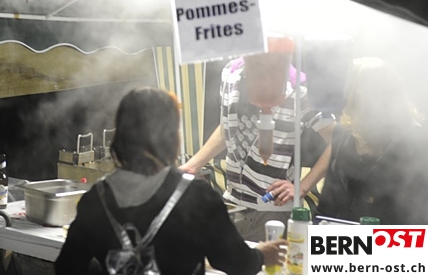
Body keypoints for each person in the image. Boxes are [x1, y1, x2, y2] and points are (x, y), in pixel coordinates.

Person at [55, 86, 286, 275]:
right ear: (171, 136)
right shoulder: (197, 196)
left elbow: (67, 267)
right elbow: (237, 263)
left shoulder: (96, 198)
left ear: (121, 136)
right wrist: (262, 255)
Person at [179, 53, 335, 242]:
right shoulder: (230, 73)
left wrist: (302, 186)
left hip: (272, 210)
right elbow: (227, 128)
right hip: (232, 202)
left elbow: (337, 140)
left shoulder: (299, 87)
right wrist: (192, 165)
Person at [316, 57, 428, 224]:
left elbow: (419, 210)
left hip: (393, 237)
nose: (346, 94)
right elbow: (329, 197)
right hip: (340, 236)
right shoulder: (343, 133)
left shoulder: (415, 141)